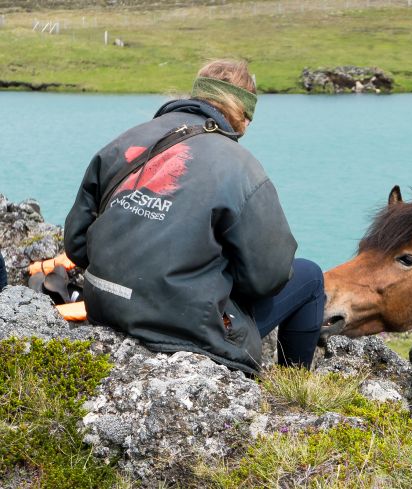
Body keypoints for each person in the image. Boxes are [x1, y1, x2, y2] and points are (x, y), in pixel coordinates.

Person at [64, 60, 324, 374]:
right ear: (241, 113)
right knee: (309, 276)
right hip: (186, 330)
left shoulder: (125, 141)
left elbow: (77, 245)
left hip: (104, 306)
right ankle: (293, 386)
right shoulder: (242, 167)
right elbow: (268, 277)